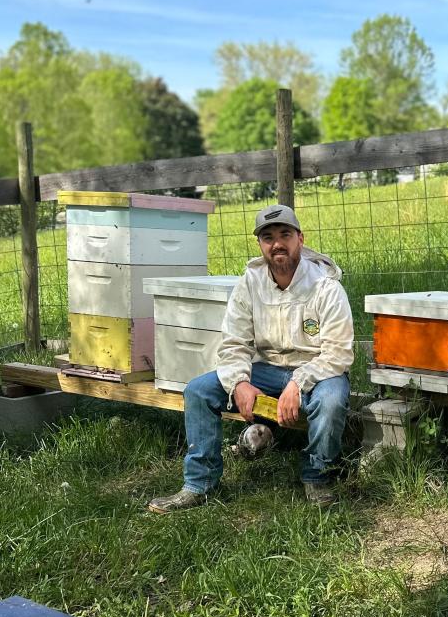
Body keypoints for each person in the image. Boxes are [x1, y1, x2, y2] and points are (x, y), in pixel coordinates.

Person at [148, 204, 354, 512]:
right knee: (198, 390)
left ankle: (317, 475)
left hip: (318, 370)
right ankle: (199, 484)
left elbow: (338, 352)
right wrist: (239, 383)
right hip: (266, 370)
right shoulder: (250, 282)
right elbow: (233, 343)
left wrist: (298, 382)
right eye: (268, 237)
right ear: (260, 244)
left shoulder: (326, 286)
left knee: (332, 401)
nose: (277, 244)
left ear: (300, 238)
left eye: (285, 234)